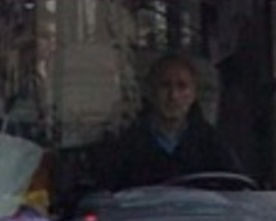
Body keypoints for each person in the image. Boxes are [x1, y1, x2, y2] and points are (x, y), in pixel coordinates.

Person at [98, 53, 241, 191]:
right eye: (165, 85)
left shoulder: (213, 145)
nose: (173, 96)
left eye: (182, 86)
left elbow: (235, 189)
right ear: (150, 91)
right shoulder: (126, 146)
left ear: (193, 94)